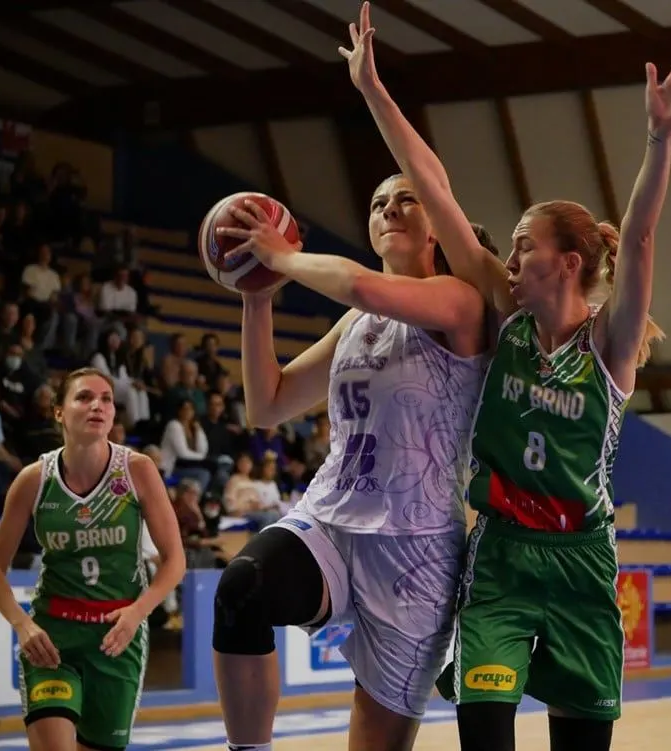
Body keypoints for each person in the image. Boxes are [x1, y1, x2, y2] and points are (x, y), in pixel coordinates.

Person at [343, 4, 671, 749]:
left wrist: (660, 134)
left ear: (569, 263)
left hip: (581, 563)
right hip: (504, 559)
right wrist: (373, 91)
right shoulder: (505, 318)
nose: (508, 261)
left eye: (523, 247)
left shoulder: (608, 346)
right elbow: (436, 190)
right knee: (484, 725)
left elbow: (641, 236)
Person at [208, 173, 498, 749]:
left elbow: (360, 285)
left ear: (438, 225)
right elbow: (267, 404)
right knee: (241, 589)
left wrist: (283, 257)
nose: (389, 207)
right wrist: (258, 297)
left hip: (414, 552)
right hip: (331, 521)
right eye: (377, 202)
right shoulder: (355, 323)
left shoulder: (461, 303)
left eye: (406, 199)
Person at [0, 367, 185, 751]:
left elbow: (175, 561)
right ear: (59, 412)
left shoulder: (138, 470)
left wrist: (138, 613)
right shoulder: (33, 479)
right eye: (84, 397)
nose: (98, 405)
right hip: (52, 638)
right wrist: (23, 626)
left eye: (107, 399)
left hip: (117, 638)